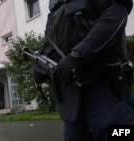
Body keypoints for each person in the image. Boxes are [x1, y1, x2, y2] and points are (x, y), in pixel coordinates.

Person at [32, 0, 134, 140]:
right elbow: (51, 44)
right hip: (73, 100)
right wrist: (39, 65)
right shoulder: (56, 8)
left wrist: (78, 56)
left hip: (106, 92)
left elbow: (114, 18)